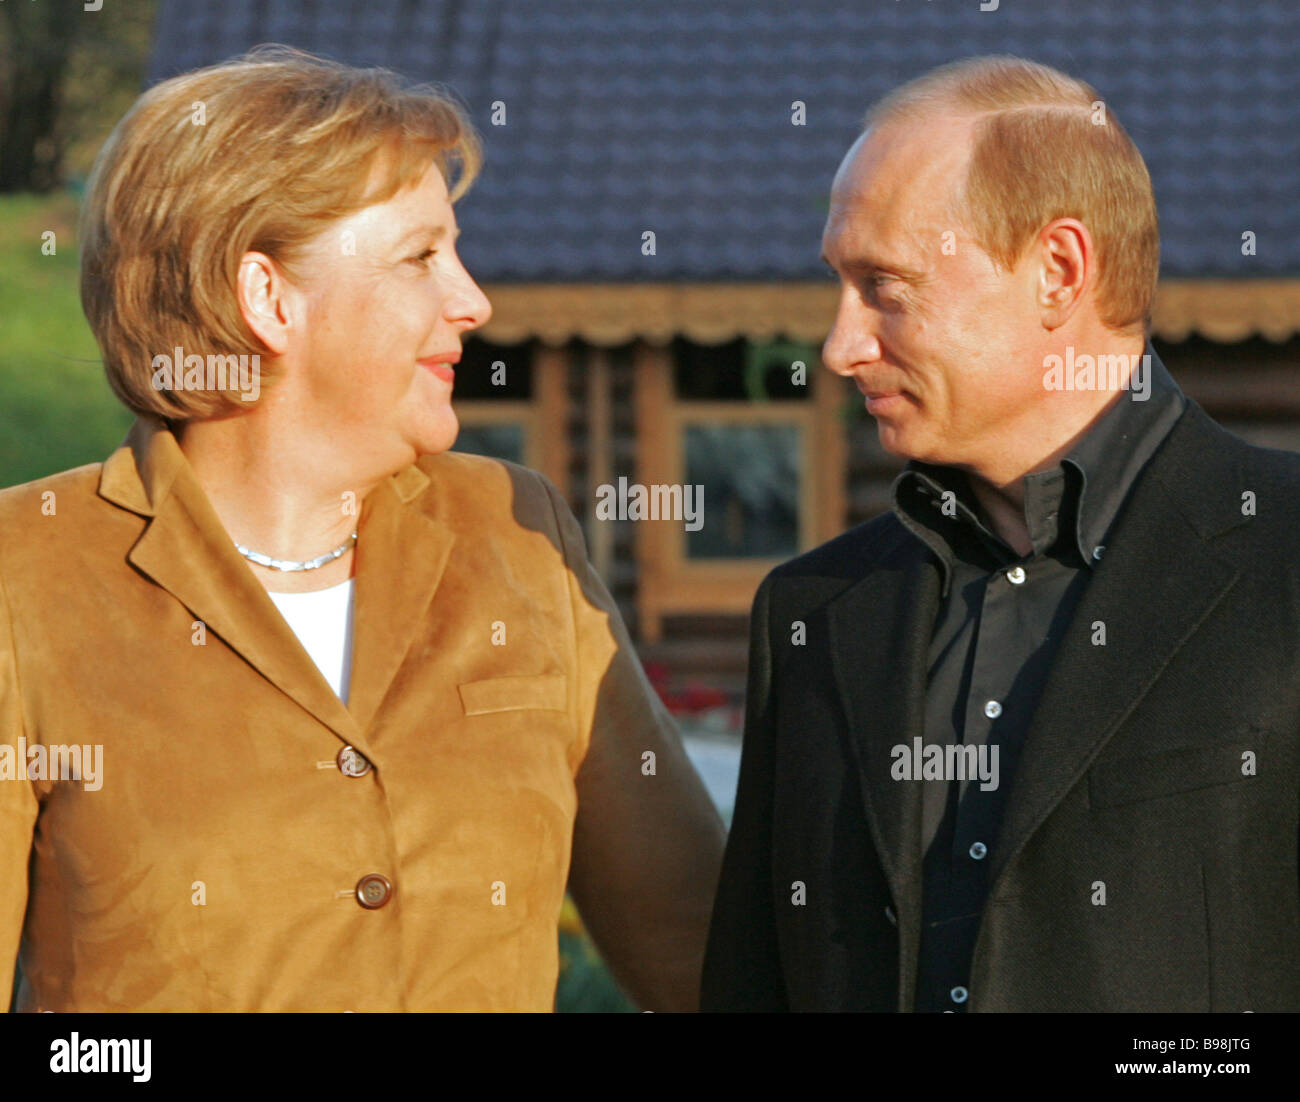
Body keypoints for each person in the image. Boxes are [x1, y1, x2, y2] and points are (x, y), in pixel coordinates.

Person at [0, 46, 725, 1012]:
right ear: (267, 296)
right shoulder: (26, 574)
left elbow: (706, 952)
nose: (473, 301)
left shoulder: (517, 535)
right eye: (421, 256)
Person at [702, 55, 1300, 1012]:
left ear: (1058, 272)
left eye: (885, 286)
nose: (838, 344)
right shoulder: (811, 615)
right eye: (840, 285)